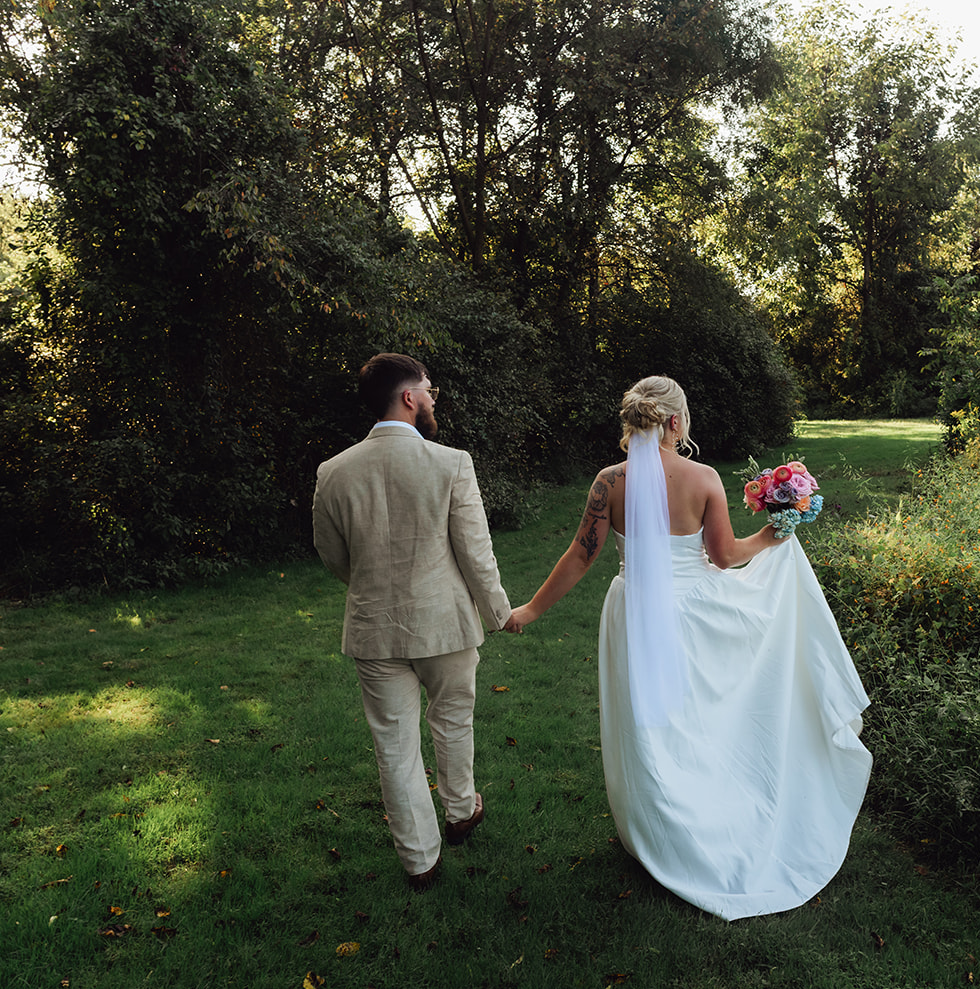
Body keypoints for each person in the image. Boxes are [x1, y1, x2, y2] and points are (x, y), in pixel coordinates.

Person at [506, 376, 871, 920]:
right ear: (675, 422)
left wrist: (530, 609)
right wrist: (775, 533)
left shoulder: (609, 482)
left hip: (632, 611)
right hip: (696, 609)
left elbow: (582, 555)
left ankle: (659, 827)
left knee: (649, 725)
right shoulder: (703, 479)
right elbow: (725, 557)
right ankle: (707, 812)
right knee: (700, 718)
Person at [312, 352, 512, 892]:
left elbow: (331, 555)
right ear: (408, 397)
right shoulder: (451, 463)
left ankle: (419, 860)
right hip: (445, 623)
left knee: (394, 744)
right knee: (452, 719)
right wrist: (499, 613)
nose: (432, 399)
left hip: (374, 627)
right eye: (429, 390)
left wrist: (372, 582)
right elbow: (476, 552)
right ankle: (460, 810)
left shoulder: (333, 471)